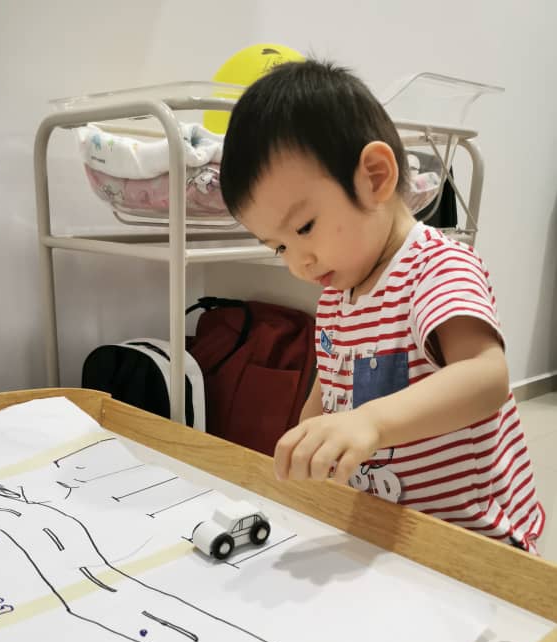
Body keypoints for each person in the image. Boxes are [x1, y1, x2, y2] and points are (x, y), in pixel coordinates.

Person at [219, 59, 544, 551]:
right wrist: (311, 432)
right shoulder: (335, 297)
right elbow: (330, 385)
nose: (298, 263)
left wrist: (370, 422)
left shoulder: (436, 266)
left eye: (304, 228)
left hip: (475, 535)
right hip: (389, 527)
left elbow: (485, 376)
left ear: (374, 177)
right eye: (279, 247)